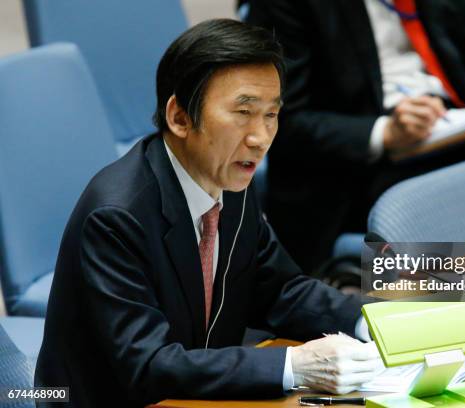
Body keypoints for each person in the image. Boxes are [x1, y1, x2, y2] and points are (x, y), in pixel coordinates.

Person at [35, 19, 380, 408]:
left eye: (271, 114)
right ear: (180, 118)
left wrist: (373, 323)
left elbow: (281, 289)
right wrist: (294, 365)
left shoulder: (229, 179)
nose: (260, 137)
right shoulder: (116, 216)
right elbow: (148, 364)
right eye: (243, 112)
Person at [247, 0, 465, 273]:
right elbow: (285, 121)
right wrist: (386, 133)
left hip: (452, 124)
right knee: (433, 200)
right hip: (358, 160)